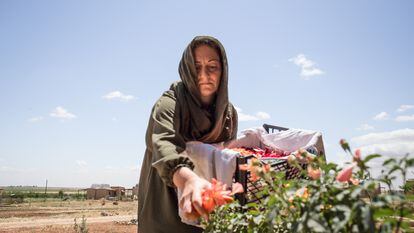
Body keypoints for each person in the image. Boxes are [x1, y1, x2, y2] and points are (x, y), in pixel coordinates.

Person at [138, 36, 238, 233]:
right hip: (166, 213)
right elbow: (164, 146)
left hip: (208, 210)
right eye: (196, 66)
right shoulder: (170, 103)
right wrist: (188, 180)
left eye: (212, 67)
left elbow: (227, 158)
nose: (203, 74)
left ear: (223, 71)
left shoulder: (228, 115)